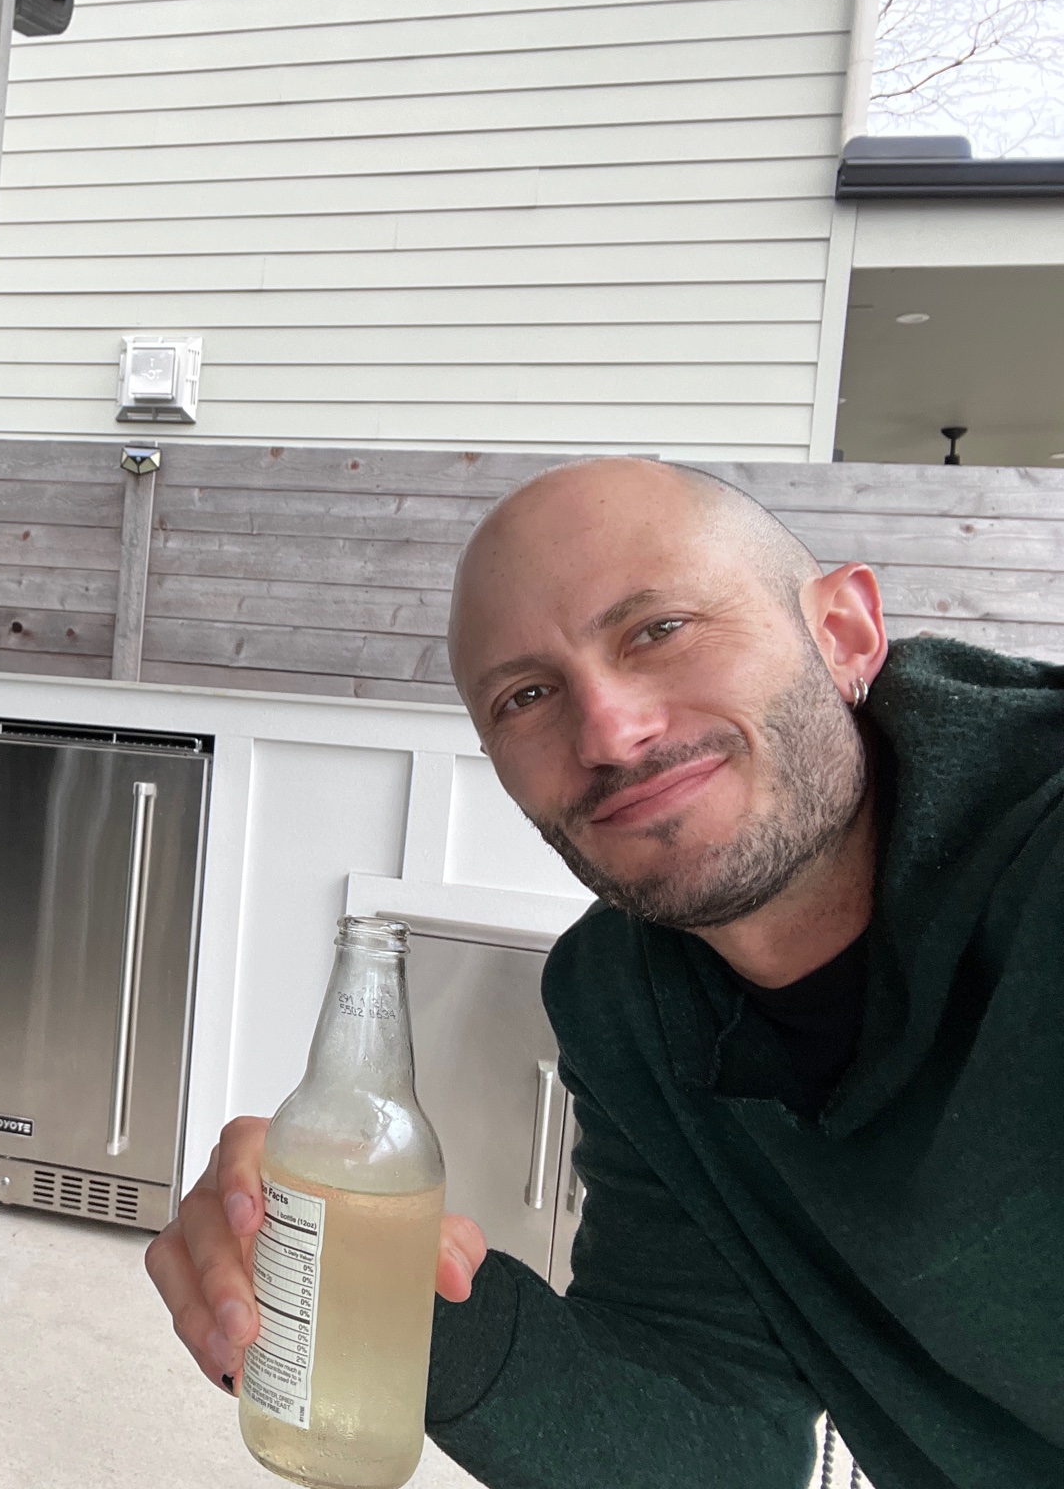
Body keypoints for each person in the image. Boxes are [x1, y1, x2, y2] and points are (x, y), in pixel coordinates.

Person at [146, 457, 1061, 1487]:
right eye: (525, 695)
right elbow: (715, 1432)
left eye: (656, 630)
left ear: (842, 633)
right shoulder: (622, 1001)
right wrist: (392, 1302)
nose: (610, 733)